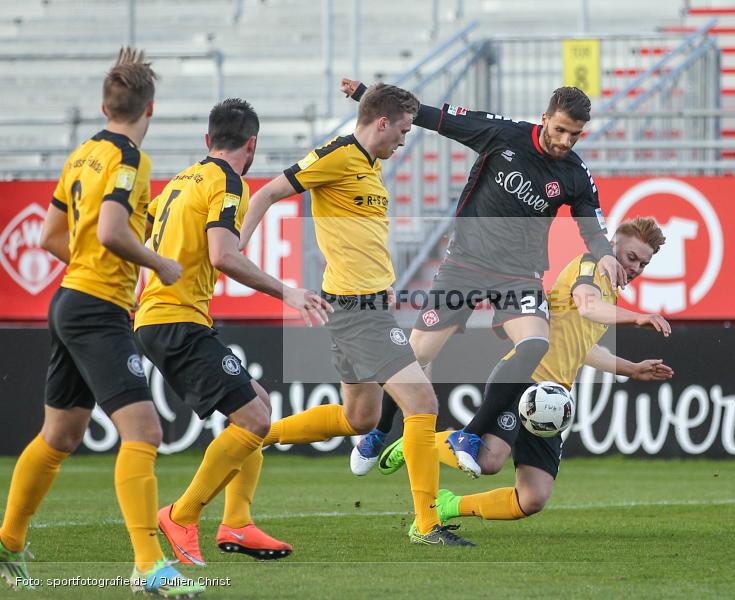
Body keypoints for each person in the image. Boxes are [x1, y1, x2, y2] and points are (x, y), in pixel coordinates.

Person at [340, 79, 626, 477]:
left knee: (535, 343)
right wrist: (366, 95)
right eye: (559, 130)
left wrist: (607, 256)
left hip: (518, 275)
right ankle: (382, 429)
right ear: (545, 119)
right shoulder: (502, 132)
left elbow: (592, 230)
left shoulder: (576, 174)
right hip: (465, 265)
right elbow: (432, 117)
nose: (564, 141)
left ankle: (469, 434)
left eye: (574, 135)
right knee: (418, 354)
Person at [0, 48, 204, 596]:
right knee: (145, 431)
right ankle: (148, 566)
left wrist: (94, 269)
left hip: (70, 300)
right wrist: (159, 263)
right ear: (150, 109)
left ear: (103, 104)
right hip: (95, 308)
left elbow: (48, 237)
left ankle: (8, 541)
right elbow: (114, 230)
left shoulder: (82, 154)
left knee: (61, 433)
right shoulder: (132, 161)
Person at [239, 84, 473, 546]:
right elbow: (266, 193)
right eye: (403, 130)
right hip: (356, 311)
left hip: (362, 305)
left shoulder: (369, 165)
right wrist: (238, 242)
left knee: (361, 418)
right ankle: (427, 524)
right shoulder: (338, 155)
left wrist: (382, 278)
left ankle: (252, 434)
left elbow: (360, 233)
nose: (404, 140)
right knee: (422, 403)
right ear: (382, 123)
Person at [135, 98, 332, 566]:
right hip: (175, 319)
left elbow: (143, 233)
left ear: (207, 140)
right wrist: (287, 292)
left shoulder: (182, 180)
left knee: (259, 406)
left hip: (165, 317)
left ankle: (238, 523)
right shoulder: (229, 182)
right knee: (256, 421)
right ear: (252, 144)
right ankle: (182, 514)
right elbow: (224, 253)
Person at [377, 218, 672, 524]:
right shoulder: (593, 264)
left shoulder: (610, 291)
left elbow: (583, 348)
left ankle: (449, 505)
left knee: (533, 498)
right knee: (489, 460)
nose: (635, 268)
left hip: (555, 397)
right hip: (527, 381)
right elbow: (587, 306)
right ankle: (415, 443)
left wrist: (631, 369)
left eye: (643, 263)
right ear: (612, 247)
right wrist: (638, 317)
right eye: (631, 257)